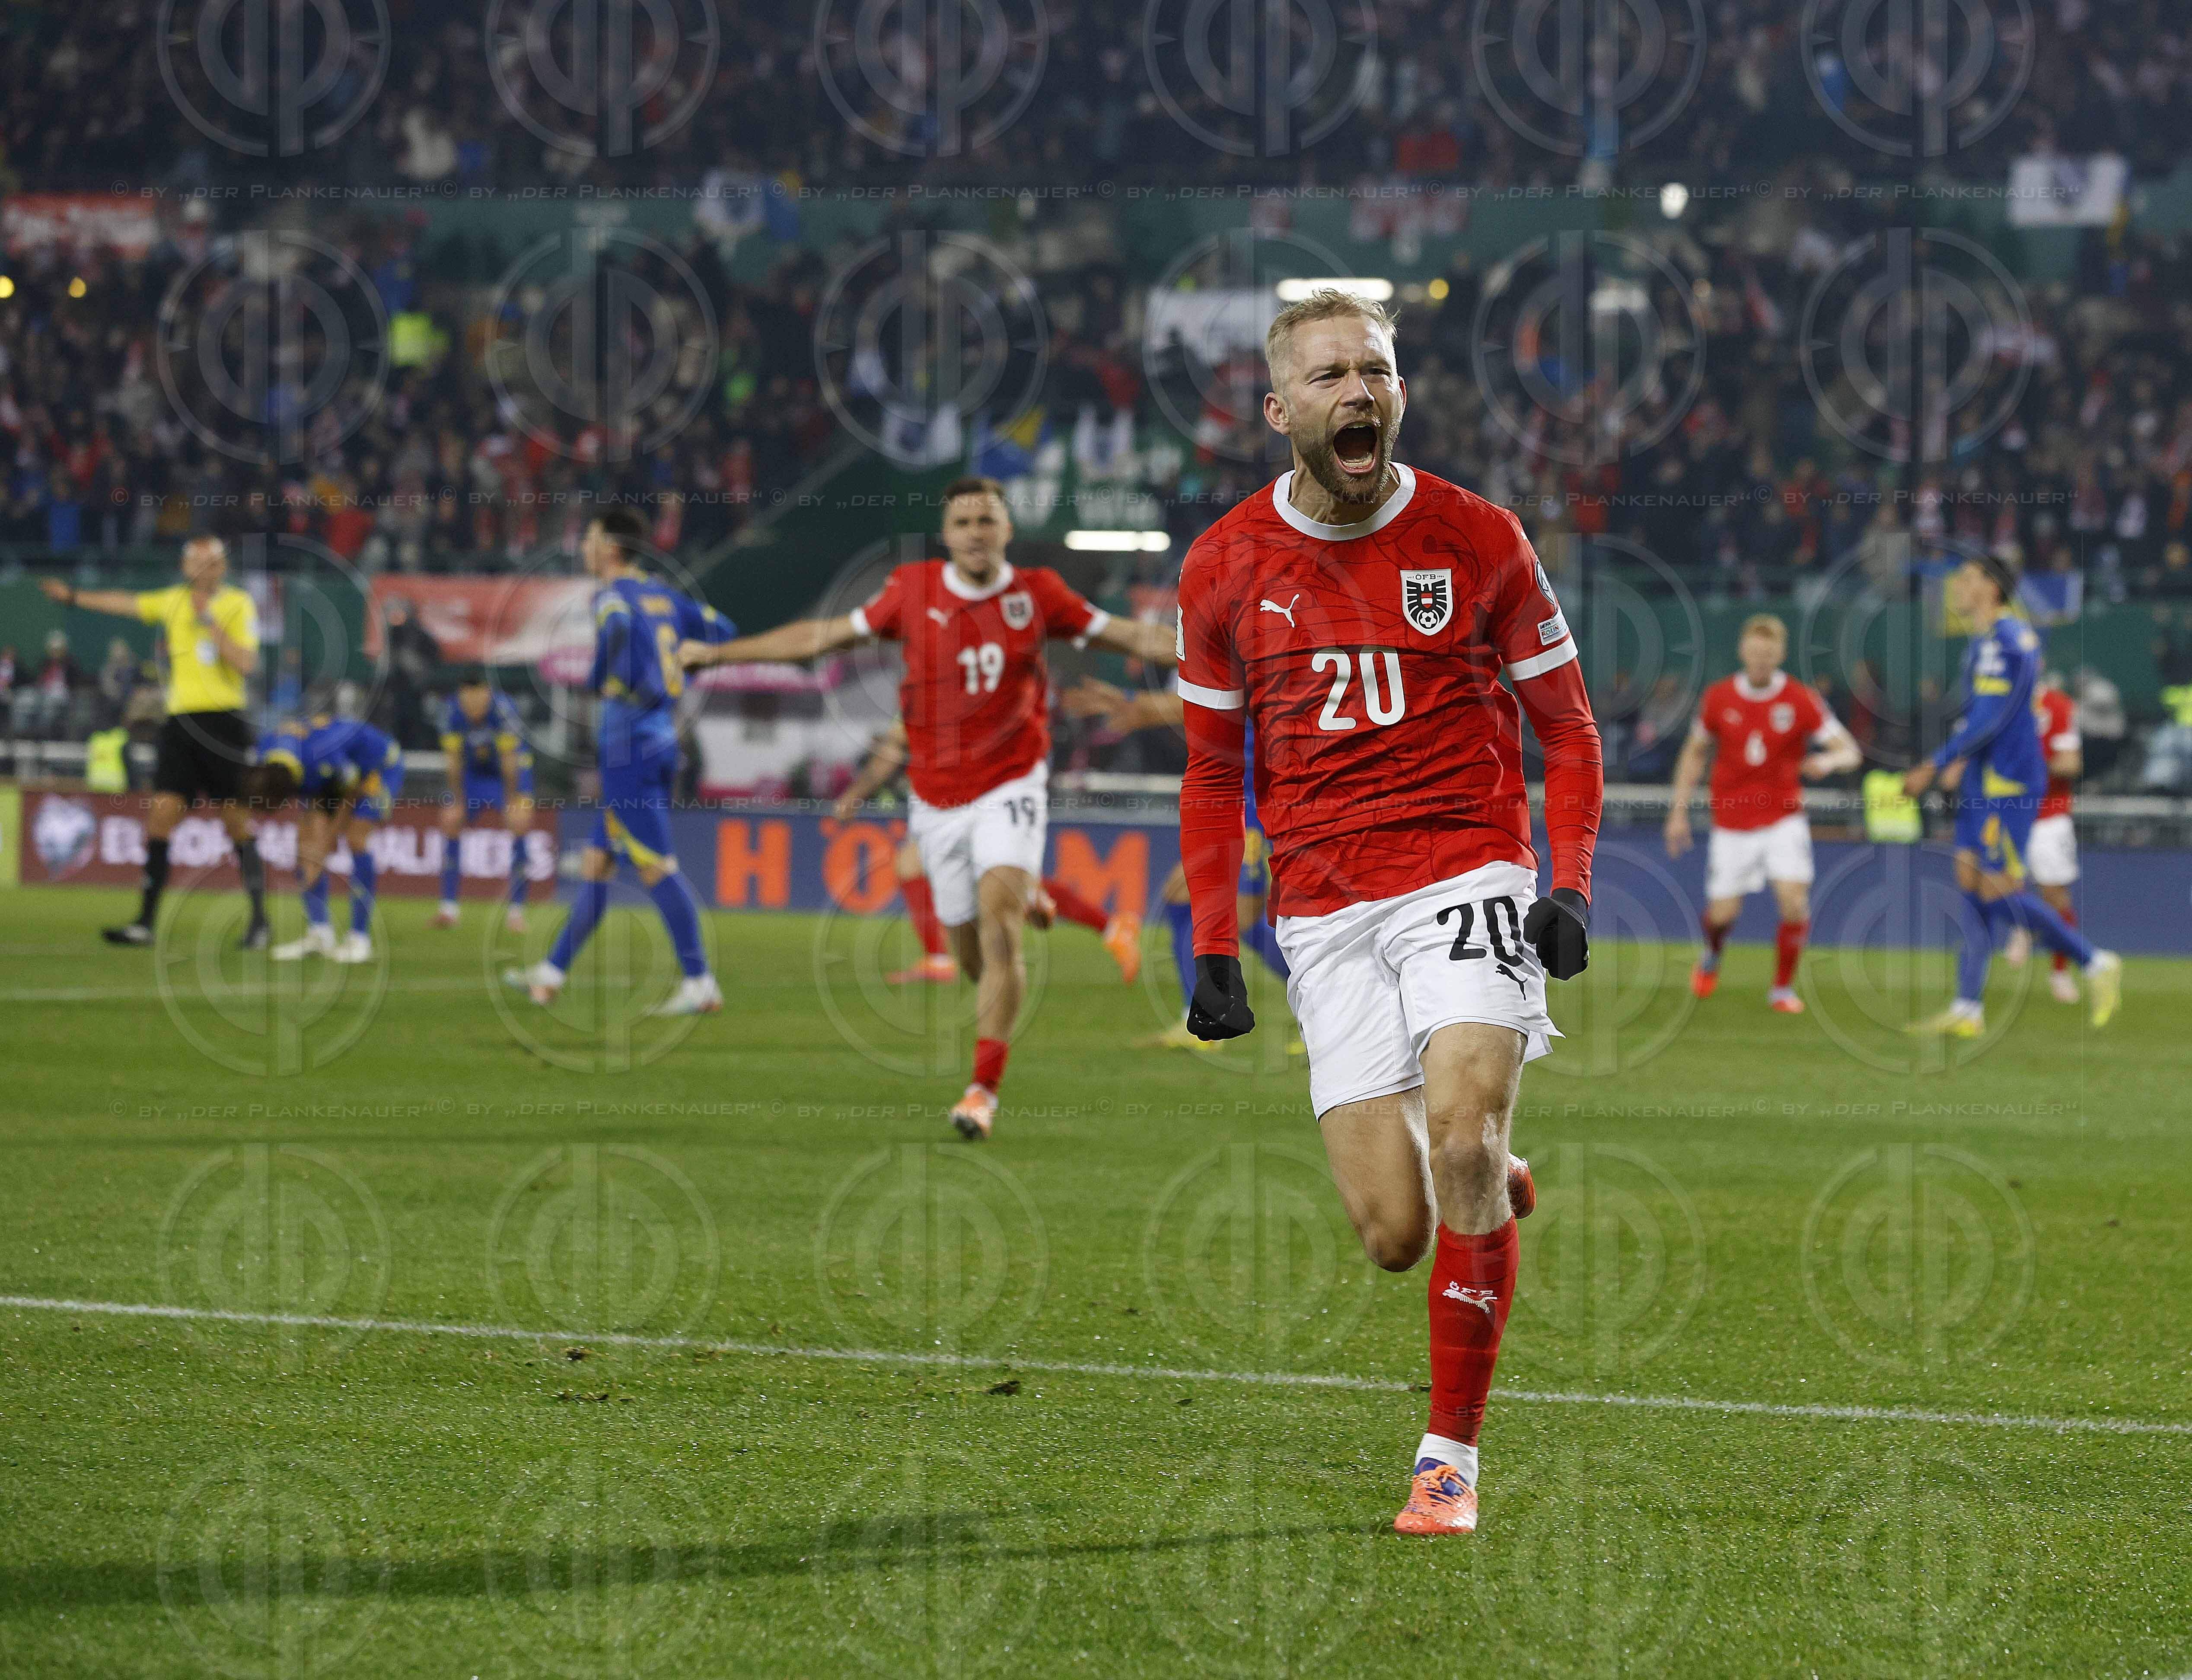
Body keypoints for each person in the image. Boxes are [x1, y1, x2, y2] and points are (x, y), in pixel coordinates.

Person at [1173, 290, 1602, 1537]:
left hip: (1466, 870)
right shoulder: (1221, 565)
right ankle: (1483, 1169)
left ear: (1400, 393)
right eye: (1329, 378)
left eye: (1376, 372)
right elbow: (1209, 776)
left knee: (1458, 1138)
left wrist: (1565, 881)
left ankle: (1448, 1459)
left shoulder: (1481, 536)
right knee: (1393, 1235)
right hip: (1321, 908)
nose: (1357, 393)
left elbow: (1567, 730)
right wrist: (1212, 942)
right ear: (1280, 410)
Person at [682, 475, 1177, 1139]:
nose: (976, 531)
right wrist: (716, 654)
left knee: (1000, 928)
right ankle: (1026, 894)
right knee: (970, 954)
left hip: (1012, 782)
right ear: (946, 536)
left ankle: (981, 1091)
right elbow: (819, 638)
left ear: (1006, 529)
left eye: (988, 519)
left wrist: (1238, 643)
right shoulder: (911, 592)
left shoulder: (1040, 595)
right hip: (937, 799)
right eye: (964, 521)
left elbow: (1133, 638)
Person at [504, 507, 736, 1017]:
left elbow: (612, 628)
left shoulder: (611, 595)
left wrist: (601, 674)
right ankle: (550, 975)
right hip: (656, 739)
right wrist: (681, 675)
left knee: (656, 866)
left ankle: (700, 983)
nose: (583, 547)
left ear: (609, 547)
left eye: (588, 538)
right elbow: (724, 629)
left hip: (629, 745)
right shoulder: (666, 595)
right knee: (598, 863)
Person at [1904, 556, 2120, 1034]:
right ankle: (1967, 1008)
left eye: (1965, 579)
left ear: (1990, 587)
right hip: (1982, 779)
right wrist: (1961, 763)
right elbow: (1978, 714)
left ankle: (2094, 961)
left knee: (1995, 890)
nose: (1956, 587)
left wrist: (1934, 762)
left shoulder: (2009, 639)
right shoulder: (1982, 642)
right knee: (1967, 879)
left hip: (2010, 783)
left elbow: (1991, 719)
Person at [40, 536, 271, 948]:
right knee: (161, 814)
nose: (199, 569)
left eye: (207, 563)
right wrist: (74, 597)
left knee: (235, 820)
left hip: (224, 724)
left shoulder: (238, 604)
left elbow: (247, 663)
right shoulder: (172, 601)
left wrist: (211, 624)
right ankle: (145, 923)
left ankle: (260, 921)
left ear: (220, 568)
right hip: (181, 723)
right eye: (193, 562)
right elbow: (125, 603)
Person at [1061, 677, 1296, 1050]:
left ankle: (1319, 1010)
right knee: (1185, 899)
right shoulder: (1229, 647)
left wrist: (1133, 700)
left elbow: (1209, 701)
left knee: (1237, 915)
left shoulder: (1253, 654)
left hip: (1254, 804)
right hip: (1230, 800)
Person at [831, 715, 1143, 986]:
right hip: (973, 789)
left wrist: (857, 794)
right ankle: (1110, 926)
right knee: (921, 865)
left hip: (976, 792)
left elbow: (895, 746)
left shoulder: (938, 683)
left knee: (997, 880)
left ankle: (1110, 926)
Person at [1663, 614, 1862, 1012]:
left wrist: (1829, 761)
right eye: (1755, 651)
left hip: (1783, 817)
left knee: (1794, 902)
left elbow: (1851, 751)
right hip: (1732, 821)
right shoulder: (1719, 698)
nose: (1761, 659)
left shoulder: (1801, 699)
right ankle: (1713, 953)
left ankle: (1782, 989)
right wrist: (1678, 812)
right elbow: (1695, 754)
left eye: (1769, 653)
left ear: (1780, 655)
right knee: (1722, 915)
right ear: (1743, 651)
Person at [249, 710, 405, 964]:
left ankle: (359, 939)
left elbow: (350, 792)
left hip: (377, 769)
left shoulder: (323, 757)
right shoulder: (267, 753)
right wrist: (313, 852)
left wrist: (328, 843)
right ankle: (320, 934)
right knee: (305, 845)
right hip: (327, 777)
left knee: (356, 840)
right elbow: (311, 808)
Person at [2002, 671, 2084, 1005]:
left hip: (2049, 815)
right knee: (2001, 884)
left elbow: (2072, 764)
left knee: (2055, 894)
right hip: (2008, 810)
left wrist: (2033, 766)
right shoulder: (1996, 704)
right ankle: (2022, 926)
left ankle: (2060, 971)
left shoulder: (2059, 706)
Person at [432, 671, 535, 933]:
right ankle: (449, 909)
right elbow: (453, 759)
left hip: (509, 773)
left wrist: (513, 800)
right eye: (467, 699)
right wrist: (457, 799)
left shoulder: (503, 709)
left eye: (478, 699)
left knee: (519, 821)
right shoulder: (451, 711)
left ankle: (517, 912)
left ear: (488, 694)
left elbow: (509, 759)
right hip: (475, 773)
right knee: (451, 820)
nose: (473, 706)